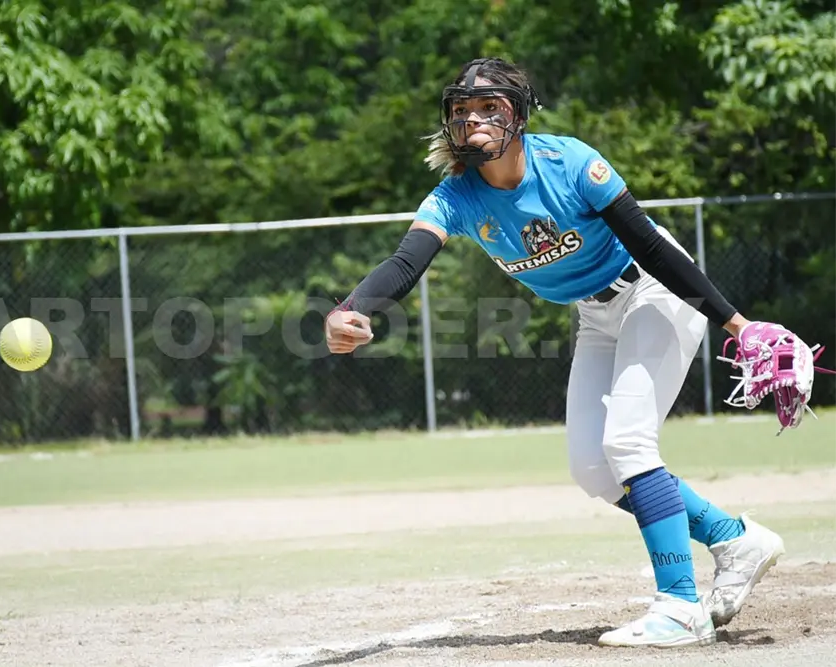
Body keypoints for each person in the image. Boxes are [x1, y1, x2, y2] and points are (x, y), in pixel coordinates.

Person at [324, 57, 823, 648]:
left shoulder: (571, 164)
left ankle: (680, 606)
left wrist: (737, 325)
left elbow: (654, 249)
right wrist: (350, 307)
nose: (474, 119)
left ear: (520, 114)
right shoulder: (456, 195)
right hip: (595, 312)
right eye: (463, 110)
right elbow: (405, 262)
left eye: (490, 107)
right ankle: (736, 540)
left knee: (628, 443)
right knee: (593, 467)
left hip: (653, 290)